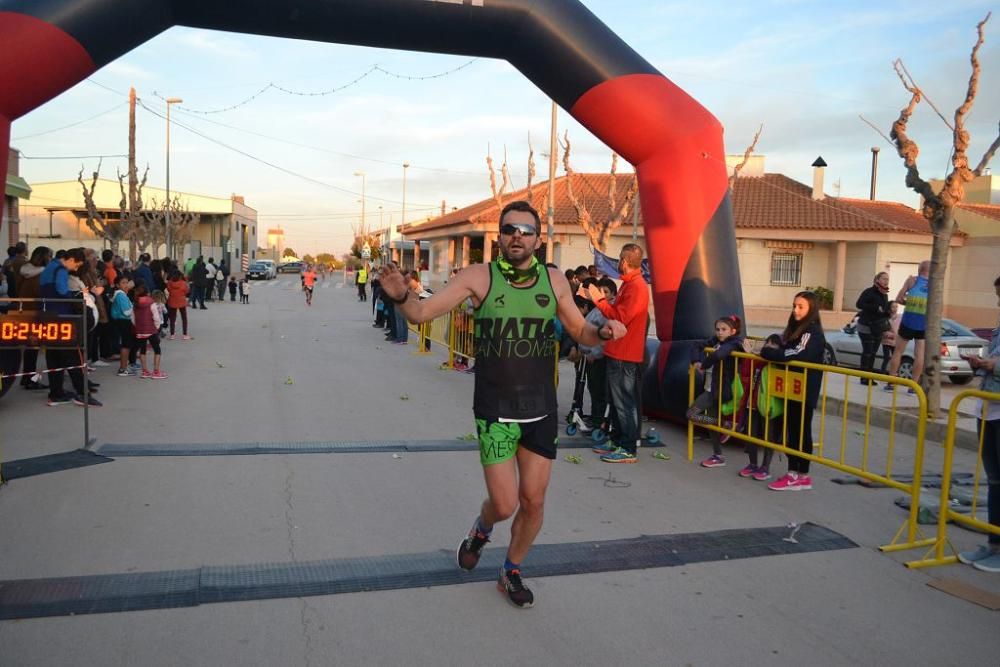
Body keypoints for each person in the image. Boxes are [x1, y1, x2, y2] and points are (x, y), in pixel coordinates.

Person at [379, 200, 625, 609]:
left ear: (538, 239)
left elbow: (581, 330)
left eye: (526, 231)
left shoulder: (554, 281)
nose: (518, 236)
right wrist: (402, 296)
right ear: (500, 235)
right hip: (495, 410)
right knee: (506, 504)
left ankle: (511, 569)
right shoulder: (479, 276)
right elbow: (422, 314)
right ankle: (482, 528)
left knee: (534, 501)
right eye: (511, 229)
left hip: (541, 408)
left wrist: (604, 333)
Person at [587, 243, 650, 464]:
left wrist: (599, 300)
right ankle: (617, 440)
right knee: (616, 402)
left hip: (626, 354)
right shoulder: (630, 285)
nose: (619, 263)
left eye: (620, 260)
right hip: (618, 352)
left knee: (624, 403)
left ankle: (628, 447)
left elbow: (620, 319)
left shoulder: (637, 288)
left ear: (624, 261)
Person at [760, 291, 826, 491]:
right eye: (794, 305)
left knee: (800, 431)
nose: (796, 310)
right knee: (792, 430)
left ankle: (799, 475)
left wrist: (770, 352)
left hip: (804, 389)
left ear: (811, 309)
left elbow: (796, 354)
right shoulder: (794, 329)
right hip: (790, 386)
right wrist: (770, 349)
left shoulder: (812, 332)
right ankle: (794, 473)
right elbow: (780, 344)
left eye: (801, 307)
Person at [956, 275, 1000, 572]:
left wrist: (990, 365)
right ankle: (993, 543)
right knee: (995, 482)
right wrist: (982, 364)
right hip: (988, 408)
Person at [39, 247, 101, 407]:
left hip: (47, 316)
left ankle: (56, 393)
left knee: (54, 357)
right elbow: (61, 291)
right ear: (71, 259)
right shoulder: (60, 270)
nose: (76, 268)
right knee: (73, 356)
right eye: (77, 265)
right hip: (62, 317)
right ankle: (82, 393)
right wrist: (76, 296)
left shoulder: (50, 266)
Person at [687, 315, 747, 468]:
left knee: (691, 414)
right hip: (711, 387)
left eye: (724, 329)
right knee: (712, 424)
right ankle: (718, 454)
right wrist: (696, 361)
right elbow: (697, 345)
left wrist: (704, 365)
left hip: (720, 389)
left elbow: (720, 354)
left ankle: (724, 425)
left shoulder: (734, 343)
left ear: (733, 331)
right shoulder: (716, 340)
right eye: (718, 329)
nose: (720, 332)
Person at [740, 334, 784, 482]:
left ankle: (765, 467)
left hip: (769, 407)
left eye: (774, 345)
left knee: (768, 437)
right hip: (752, 404)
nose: (769, 347)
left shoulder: (780, 364)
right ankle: (752, 463)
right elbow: (746, 374)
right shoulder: (758, 361)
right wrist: (749, 355)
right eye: (768, 343)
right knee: (750, 435)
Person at [886, 260, 929, 393]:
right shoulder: (935, 284)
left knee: (898, 351)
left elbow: (899, 298)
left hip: (909, 320)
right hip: (923, 322)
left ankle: (891, 383)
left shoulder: (912, 280)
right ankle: (913, 386)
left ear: (919, 269)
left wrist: (908, 303)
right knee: (919, 354)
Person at [16, 246, 52, 391]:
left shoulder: (24, 272)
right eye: (49, 256)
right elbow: (41, 293)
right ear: (44, 257)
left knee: (30, 348)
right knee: (33, 348)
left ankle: (27, 377)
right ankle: (30, 379)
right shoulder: (40, 275)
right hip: (35, 312)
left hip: (24, 310)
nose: (50, 259)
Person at [856, 271, 892, 384]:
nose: (886, 281)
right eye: (884, 279)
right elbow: (859, 304)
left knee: (873, 353)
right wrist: (875, 307)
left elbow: (883, 310)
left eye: (887, 279)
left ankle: (869, 377)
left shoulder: (885, 294)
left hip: (877, 327)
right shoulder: (869, 292)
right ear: (877, 280)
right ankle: (863, 377)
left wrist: (888, 313)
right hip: (865, 326)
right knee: (867, 352)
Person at [133, 284, 166, 379]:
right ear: (147, 293)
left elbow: (133, 318)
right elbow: (156, 317)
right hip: (151, 330)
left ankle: (145, 371)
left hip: (140, 331)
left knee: (142, 350)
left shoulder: (135, 303)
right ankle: (156, 372)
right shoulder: (151, 303)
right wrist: (157, 327)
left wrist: (138, 327)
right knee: (157, 349)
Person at [111, 275, 138, 376]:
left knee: (126, 345)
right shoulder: (120, 295)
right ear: (118, 285)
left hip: (123, 321)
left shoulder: (121, 294)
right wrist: (135, 308)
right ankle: (123, 369)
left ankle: (124, 367)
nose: (126, 285)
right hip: (123, 321)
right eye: (123, 283)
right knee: (126, 345)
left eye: (127, 282)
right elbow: (126, 312)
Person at [166, 269, 191, 340]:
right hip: (182, 302)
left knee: (172, 319)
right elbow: (187, 291)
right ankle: (185, 334)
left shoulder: (170, 283)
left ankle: (172, 335)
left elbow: (168, 289)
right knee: (184, 318)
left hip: (172, 301)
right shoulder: (183, 283)